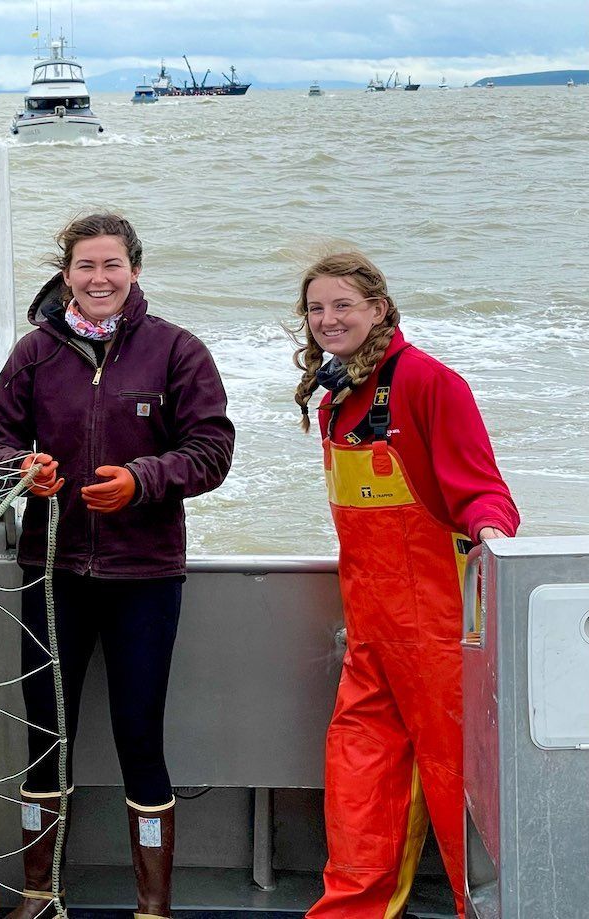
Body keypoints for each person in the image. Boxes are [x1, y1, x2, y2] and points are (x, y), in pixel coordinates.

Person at [0, 213, 235, 919]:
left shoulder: (178, 351)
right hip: (53, 571)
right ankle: (39, 893)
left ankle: (153, 907)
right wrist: (21, 469)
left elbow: (211, 450)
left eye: (112, 265)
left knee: (138, 735)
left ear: (135, 270)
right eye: (86, 266)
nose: (99, 278)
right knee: (44, 734)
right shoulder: (34, 353)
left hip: (145, 577)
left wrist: (143, 479)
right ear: (66, 274)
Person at [292, 252, 519, 919]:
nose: (328, 320)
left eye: (343, 306)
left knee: (463, 804)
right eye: (315, 308)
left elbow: (484, 492)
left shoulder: (428, 382)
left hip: (443, 642)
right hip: (370, 640)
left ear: (379, 309)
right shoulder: (337, 399)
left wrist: (494, 539)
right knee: (359, 794)